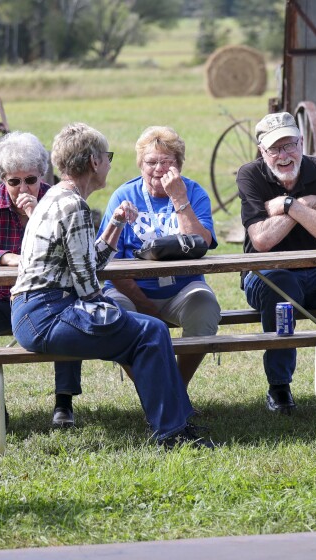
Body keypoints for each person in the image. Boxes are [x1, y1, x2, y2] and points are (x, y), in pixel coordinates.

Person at [9, 122, 211, 448]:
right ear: (94, 162)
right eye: (107, 157)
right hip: (48, 314)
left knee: (146, 330)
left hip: (36, 312)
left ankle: (176, 424)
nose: (108, 164)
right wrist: (112, 310)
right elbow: (87, 284)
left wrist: (115, 224)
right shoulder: (73, 206)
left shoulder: (57, 197)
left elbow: (88, 262)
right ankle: (173, 433)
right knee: (150, 332)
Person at [237, 112, 316, 414]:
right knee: (281, 288)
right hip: (268, 276)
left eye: (289, 145)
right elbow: (262, 240)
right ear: (262, 151)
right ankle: (280, 387)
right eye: (274, 148)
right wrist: (306, 205)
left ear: (301, 142)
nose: (284, 155)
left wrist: (287, 205)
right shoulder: (250, 174)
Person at [98, 126, 220, 386]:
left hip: (182, 288)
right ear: (140, 164)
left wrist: (179, 198)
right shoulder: (123, 196)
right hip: (131, 290)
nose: (158, 169)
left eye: (167, 162)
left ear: (179, 165)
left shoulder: (193, 192)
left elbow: (202, 243)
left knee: (206, 307)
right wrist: (144, 304)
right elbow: (108, 260)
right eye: (151, 162)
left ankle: (177, 388)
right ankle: (153, 391)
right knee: (113, 314)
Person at [0, 131, 82, 429]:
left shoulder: (58, 200)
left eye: (30, 179)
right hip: (0, 299)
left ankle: (64, 403)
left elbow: (72, 249)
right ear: (3, 179)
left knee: (72, 311)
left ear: (42, 175)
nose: (23, 188)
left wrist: (35, 216)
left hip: (47, 298)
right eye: (14, 181)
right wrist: (5, 257)